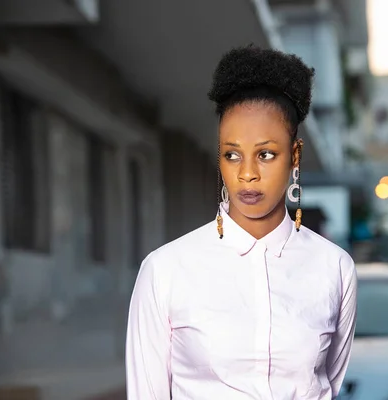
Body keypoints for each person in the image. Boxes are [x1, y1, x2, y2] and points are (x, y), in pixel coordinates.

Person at [126, 45, 357, 400]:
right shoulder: (165, 271)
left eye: (265, 154)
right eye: (232, 154)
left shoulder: (334, 268)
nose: (247, 174)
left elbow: (329, 383)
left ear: (294, 155)